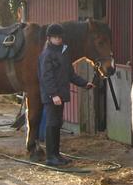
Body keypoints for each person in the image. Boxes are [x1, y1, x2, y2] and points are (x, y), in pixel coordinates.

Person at [38, 23, 93, 167]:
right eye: (55, 37)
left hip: (60, 95)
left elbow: (70, 74)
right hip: (52, 97)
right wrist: (53, 95)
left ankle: (56, 154)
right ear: (49, 38)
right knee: (52, 124)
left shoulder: (63, 53)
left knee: (57, 123)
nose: (58, 39)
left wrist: (84, 83)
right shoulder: (47, 55)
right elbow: (46, 77)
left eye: (59, 37)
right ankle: (50, 157)